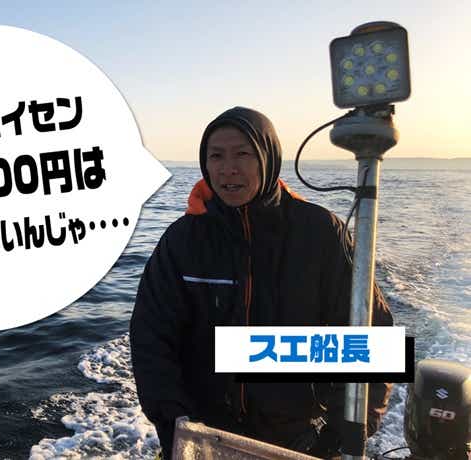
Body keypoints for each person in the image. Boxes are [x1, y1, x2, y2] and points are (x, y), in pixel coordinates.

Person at [129, 107, 393, 459]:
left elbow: (373, 334)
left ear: (268, 157)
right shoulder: (182, 240)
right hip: (203, 434)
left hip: (299, 437)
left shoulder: (320, 233)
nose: (228, 168)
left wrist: (342, 431)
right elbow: (151, 336)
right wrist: (173, 421)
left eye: (242, 154)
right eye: (216, 156)